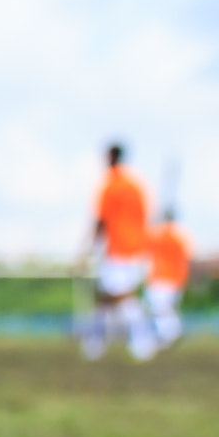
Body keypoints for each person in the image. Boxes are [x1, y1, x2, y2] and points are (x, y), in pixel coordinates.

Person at [80, 143, 157, 363]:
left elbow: (101, 221)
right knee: (109, 297)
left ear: (110, 157)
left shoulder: (111, 185)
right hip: (136, 248)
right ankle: (96, 342)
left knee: (122, 297)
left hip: (119, 249)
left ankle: (141, 342)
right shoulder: (136, 186)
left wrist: (87, 250)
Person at [143, 212, 190, 351]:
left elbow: (145, 243)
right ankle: (171, 333)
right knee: (166, 309)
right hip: (176, 279)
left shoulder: (161, 235)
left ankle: (168, 335)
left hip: (161, 278)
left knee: (160, 309)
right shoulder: (180, 237)